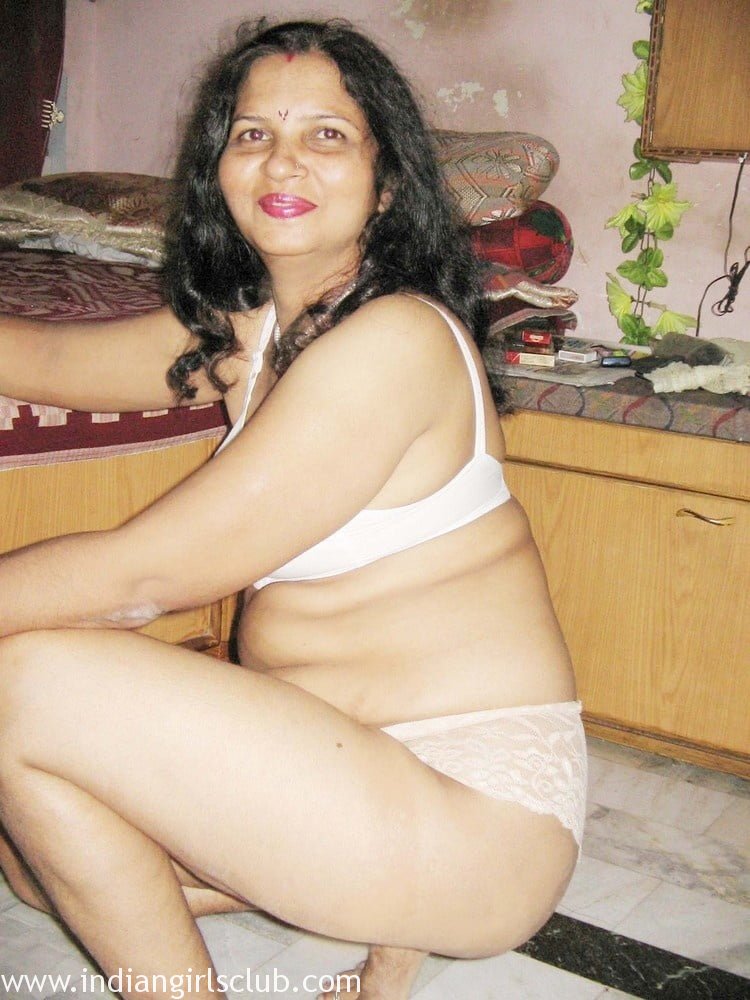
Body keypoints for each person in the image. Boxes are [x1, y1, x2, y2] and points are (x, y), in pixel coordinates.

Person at [0, 19, 586, 1000]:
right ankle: (386, 933)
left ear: (386, 182)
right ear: (219, 173)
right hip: (350, 772)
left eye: (326, 135)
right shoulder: (255, 330)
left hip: (477, 818)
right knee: (34, 855)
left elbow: (145, 574)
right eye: (252, 134)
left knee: (23, 686)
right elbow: (49, 357)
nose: (282, 160)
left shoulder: (393, 340)